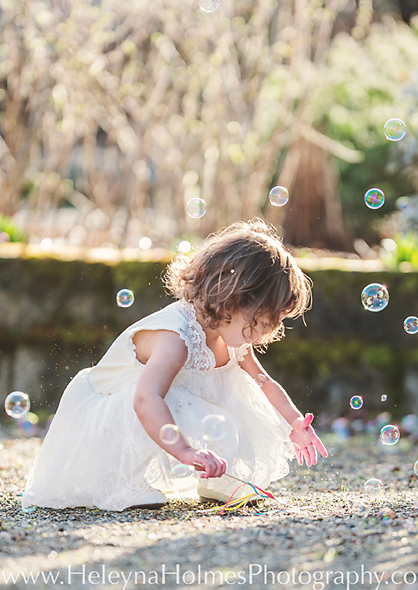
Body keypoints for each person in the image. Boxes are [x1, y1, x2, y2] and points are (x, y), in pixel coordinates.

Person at [22, 218, 328, 511]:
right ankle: (124, 480)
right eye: (263, 320)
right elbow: (145, 399)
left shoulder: (231, 334)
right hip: (113, 416)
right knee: (163, 396)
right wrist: (185, 451)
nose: (268, 332)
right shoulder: (176, 339)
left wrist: (294, 422)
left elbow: (264, 382)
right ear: (232, 301)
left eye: (275, 322)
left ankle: (218, 475)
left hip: (155, 405)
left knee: (238, 392)